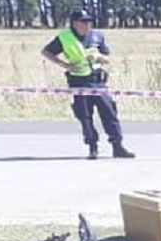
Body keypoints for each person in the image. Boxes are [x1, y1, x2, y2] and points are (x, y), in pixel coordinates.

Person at [41, 9, 135, 160]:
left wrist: (99, 57)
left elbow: (107, 58)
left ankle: (117, 146)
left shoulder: (98, 35)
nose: (88, 24)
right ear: (74, 23)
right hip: (79, 81)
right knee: (85, 116)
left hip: (98, 81)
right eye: (84, 21)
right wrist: (64, 64)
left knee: (109, 113)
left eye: (89, 21)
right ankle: (93, 147)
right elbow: (46, 52)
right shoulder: (65, 37)